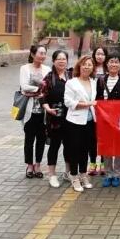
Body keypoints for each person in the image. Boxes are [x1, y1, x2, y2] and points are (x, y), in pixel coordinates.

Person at [96, 52, 120, 188]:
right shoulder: (101, 80)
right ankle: (108, 174)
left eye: (116, 62)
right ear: (107, 64)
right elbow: (98, 99)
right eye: (111, 61)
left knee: (118, 148)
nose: (114, 64)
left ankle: (116, 174)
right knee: (106, 148)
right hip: (104, 120)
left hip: (119, 120)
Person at [64, 55, 97, 192]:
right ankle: (74, 176)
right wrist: (87, 104)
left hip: (89, 121)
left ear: (93, 67)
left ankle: (83, 174)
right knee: (74, 150)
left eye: (89, 65)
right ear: (79, 66)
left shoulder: (94, 82)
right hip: (74, 121)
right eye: (84, 64)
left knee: (85, 149)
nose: (86, 67)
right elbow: (68, 102)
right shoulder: (71, 82)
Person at [40, 50, 72, 188]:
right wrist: (47, 109)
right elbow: (42, 96)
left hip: (70, 117)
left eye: (64, 59)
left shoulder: (71, 75)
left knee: (69, 145)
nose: (61, 61)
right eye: (58, 59)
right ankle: (52, 175)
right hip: (54, 117)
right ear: (53, 61)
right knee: (54, 145)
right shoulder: (48, 77)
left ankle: (68, 172)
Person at [19, 45, 51, 179]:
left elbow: (50, 87)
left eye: (44, 53)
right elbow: (24, 86)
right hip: (30, 110)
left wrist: (34, 91)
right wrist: (40, 90)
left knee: (41, 139)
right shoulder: (25, 68)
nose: (42, 56)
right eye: (40, 53)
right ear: (33, 54)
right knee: (29, 140)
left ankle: (38, 165)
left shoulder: (47, 69)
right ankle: (29, 165)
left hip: (44, 112)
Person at [88, 46, 108, 176]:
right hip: (91, 106)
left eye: (102, 54)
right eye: (98, 53)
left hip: (105, 108)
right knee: (92, 137)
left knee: (104, 137)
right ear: (94, 55)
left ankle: (103, 163)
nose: (100, 56)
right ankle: (92, 163)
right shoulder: (90, 68)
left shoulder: (109, 69)